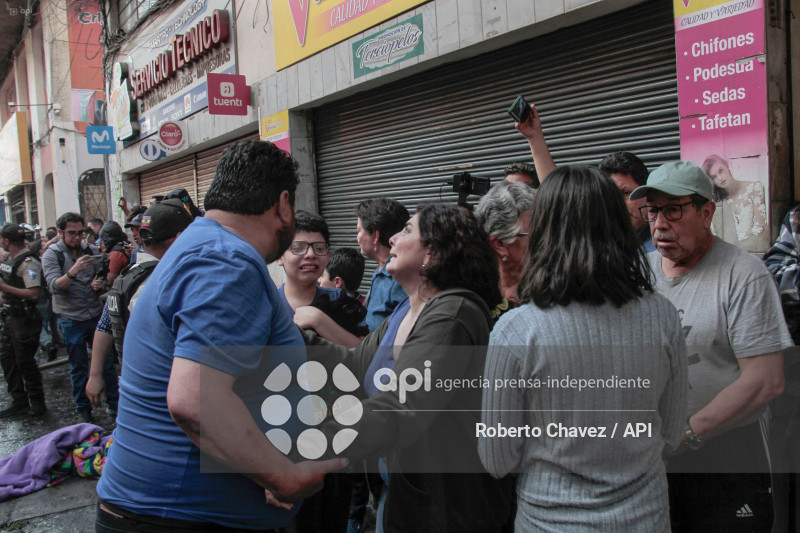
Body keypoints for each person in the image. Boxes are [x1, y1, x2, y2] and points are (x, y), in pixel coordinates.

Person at [95, 140, 345, 532]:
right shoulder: (226, 261)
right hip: (181, 518)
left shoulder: (205, 245)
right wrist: (282, 475)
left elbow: (233, 382)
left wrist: (262, 466)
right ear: (283, 204)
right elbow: (194, 402)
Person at [478, 166, 687, 531]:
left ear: (543, 232)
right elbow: (671, 432)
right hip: (646, 518)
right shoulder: (663, 316)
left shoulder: (517, 331)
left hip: (549, 521)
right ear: (619, 229)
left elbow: (497, 459)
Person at [299, 203, 514, 533]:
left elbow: (400, 405)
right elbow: (355, 364)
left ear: (435, 251)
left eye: (408, 230)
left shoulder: (453, 314)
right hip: (402, 496)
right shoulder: (405, 308)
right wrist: (284, 337)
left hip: (447, 511)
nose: (394, 238)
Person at [629, 160, 792, 532]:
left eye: (673, 210)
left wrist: (686, 435)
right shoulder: (640, 271)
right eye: (653, 211)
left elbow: (766, 380)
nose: (659, 223)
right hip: (654, 459)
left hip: (727, 456)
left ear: (706, 212)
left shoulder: (744, 276)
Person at [86, 199, 193, 411]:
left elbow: (104, 325)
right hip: (161, 390)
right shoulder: (161, 283)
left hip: (133, 383)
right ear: (179, 239)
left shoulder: (130, 274)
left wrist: (95, 375)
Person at [41, 212, 114, 423]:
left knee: (105, 363)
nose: (77, 237)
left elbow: (102, 275)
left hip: (94, 313)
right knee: (79, 365)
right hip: (70, 317)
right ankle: (84, 411)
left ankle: (114, 406)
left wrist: (98, 283)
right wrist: (73, 271)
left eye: (81, 233)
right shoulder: (52, 255)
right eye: (72, 233)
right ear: (60, 232)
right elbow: (55, 287)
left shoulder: (90, 249)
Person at [0, 223, 47, 417]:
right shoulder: (9, 260)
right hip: (10, 317)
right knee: (8, 359)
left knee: (25, 361)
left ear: (8, 240)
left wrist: (4, 287)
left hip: (25, 319)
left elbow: (33, 293)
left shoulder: (28, 262)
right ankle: (19, 401)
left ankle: (37, 403)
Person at [474, 180, 535, 319]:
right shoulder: (474, 292)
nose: (545, 241)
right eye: (534, 234)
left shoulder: (550, 289)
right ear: (500, 244)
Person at [355, 198, 409, 332]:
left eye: (359, 231)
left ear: (375, 235)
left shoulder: (399, 278)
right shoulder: (382, 269)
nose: (357, 238)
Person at [702, 154, 767, 244]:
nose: (720, 178)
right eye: (714, 177)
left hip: (753, 248)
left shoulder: (754, 187)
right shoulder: (718, 203)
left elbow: (760, 226)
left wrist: (736, 242)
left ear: (727, 166)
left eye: (721, 171)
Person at [599, 151, 654, 252]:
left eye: (626, 193)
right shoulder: (601, 247)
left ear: (646, 193)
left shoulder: (664, 249)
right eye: (611, 196)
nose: (618, 204)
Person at [97, 221, 130, 286]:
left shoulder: (116, 254)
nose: (101, 245)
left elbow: (109, 280)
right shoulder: (121, 247)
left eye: (103, 241)